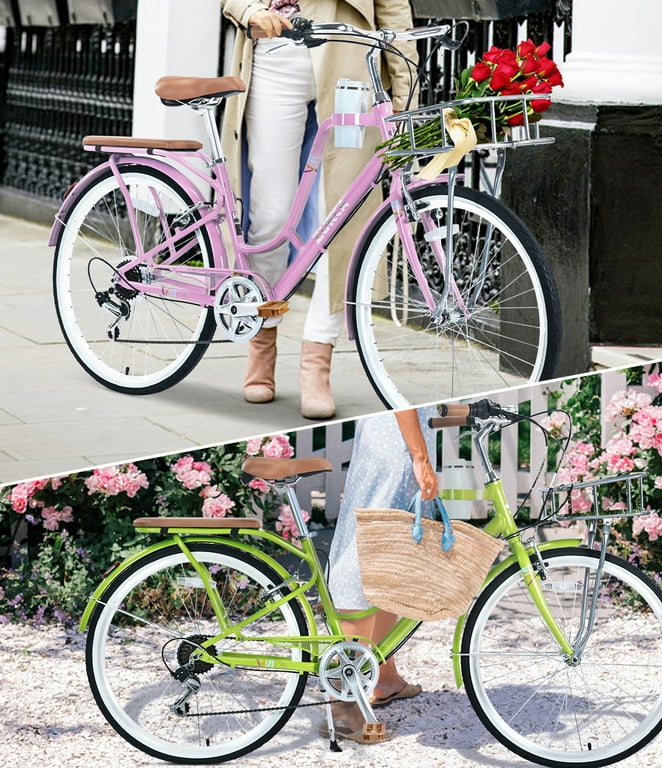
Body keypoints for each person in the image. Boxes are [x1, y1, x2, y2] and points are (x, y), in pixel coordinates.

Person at [219, 0, 417, 419]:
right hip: (273, 57)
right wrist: (249, 10)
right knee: (270, 214)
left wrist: (403, 91)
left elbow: (394, 6)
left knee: (344, 219)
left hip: (347, 63)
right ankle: (263, 337)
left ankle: (316, 361)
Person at [324, 406, 438, 742]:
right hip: (397, 446)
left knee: (388, 565)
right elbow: (399, 395)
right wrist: (420, 457)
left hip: (395, 440)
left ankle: (385, 677)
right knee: (364, 562)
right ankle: (344, 704)